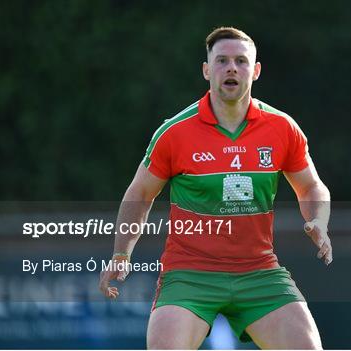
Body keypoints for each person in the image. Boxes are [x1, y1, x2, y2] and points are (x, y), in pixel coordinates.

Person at [99, 27, 332, 350]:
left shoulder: (282, 127)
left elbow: (311, 187)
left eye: (240, 61)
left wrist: (319, 220)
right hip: (190, 275)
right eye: (221, 61)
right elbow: (140, 194)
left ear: (256, 70)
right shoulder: (174, 132)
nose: (231, 68)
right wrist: (122, 253)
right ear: (207, 70)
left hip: (259, 273)